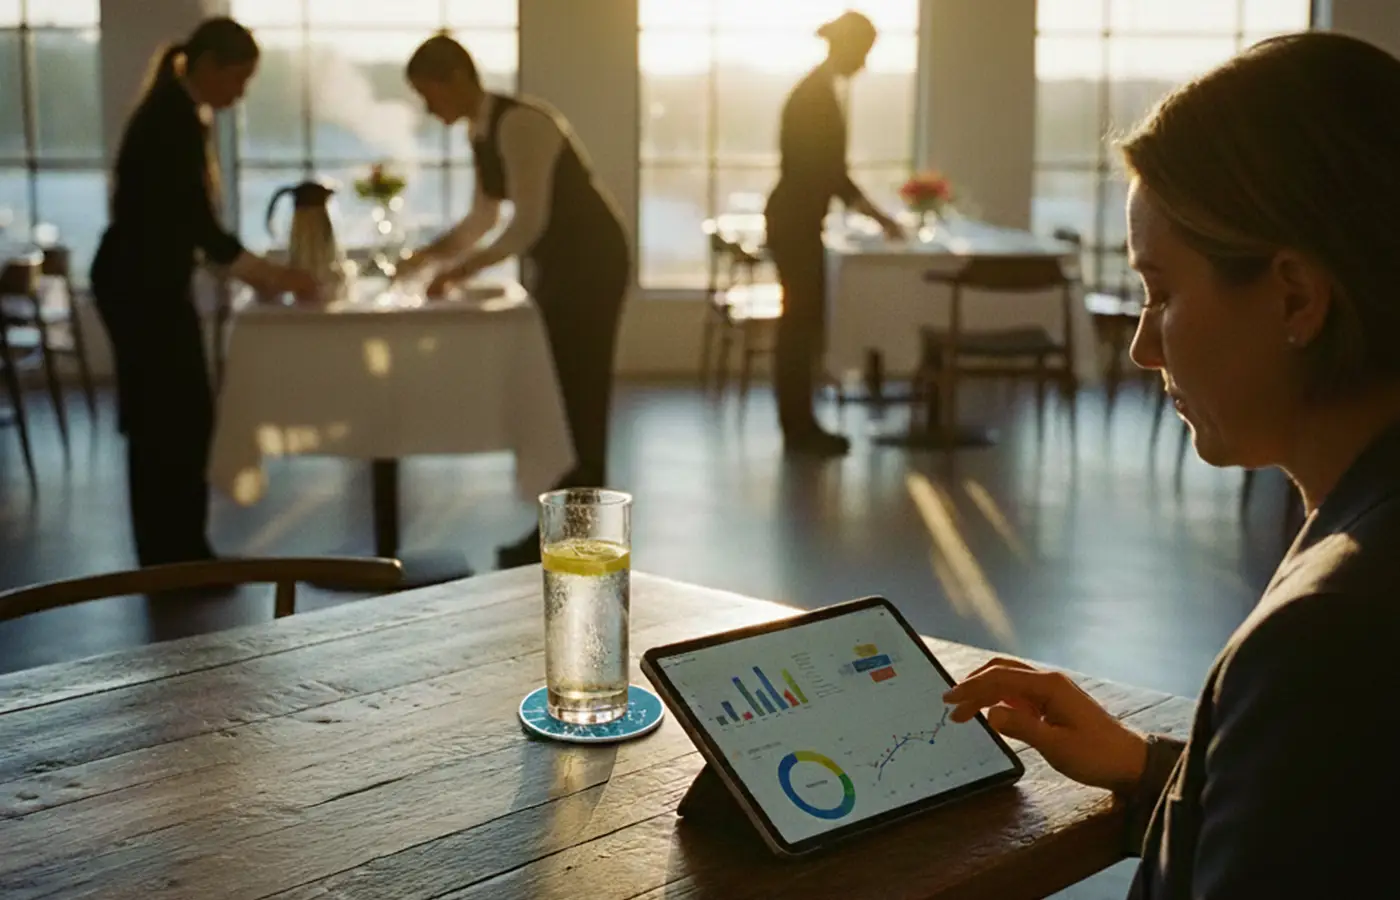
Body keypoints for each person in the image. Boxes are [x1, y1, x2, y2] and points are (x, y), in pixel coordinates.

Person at [941, 33, 1400, 898]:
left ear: (1296, 297)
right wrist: (1156, 768)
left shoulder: (1326, 639)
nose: (1145, 349)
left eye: (1162, 291)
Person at [396, 33, 631, 569]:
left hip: (592, 264)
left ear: (456, 78)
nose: (427, 107)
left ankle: (579, 533)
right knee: (562, 393)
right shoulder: (482, 131)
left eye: (427, 92)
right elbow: (483, 218)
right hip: (561, 264)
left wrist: (456, 270)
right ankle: (565, 529)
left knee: (579, 393)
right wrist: (426, 258)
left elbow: (527, 223)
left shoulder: (523, 124)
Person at [91, 17, 315, 567]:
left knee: (169, 419)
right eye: (239, 78)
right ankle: (177, 559)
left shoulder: (174, 113)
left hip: (140, 281)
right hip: (142, 287)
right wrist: (277, 277)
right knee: (173, 419)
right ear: (210, 64)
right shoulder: (173, 122)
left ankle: (174, 553)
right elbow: (200, 228)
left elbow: (186, 228)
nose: (240, 93)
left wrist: (257, 274)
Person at [766, 11, 905, 457]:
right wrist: (882, 219)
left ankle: (799, 423)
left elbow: (830, 176)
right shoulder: (817, 100)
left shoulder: (818, 93)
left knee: (800, 324)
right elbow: (832, 176)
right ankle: (799, 427)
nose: (864, 64)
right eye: (862, 53)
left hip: (797, 219)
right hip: (795, 221)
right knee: (799, 325)